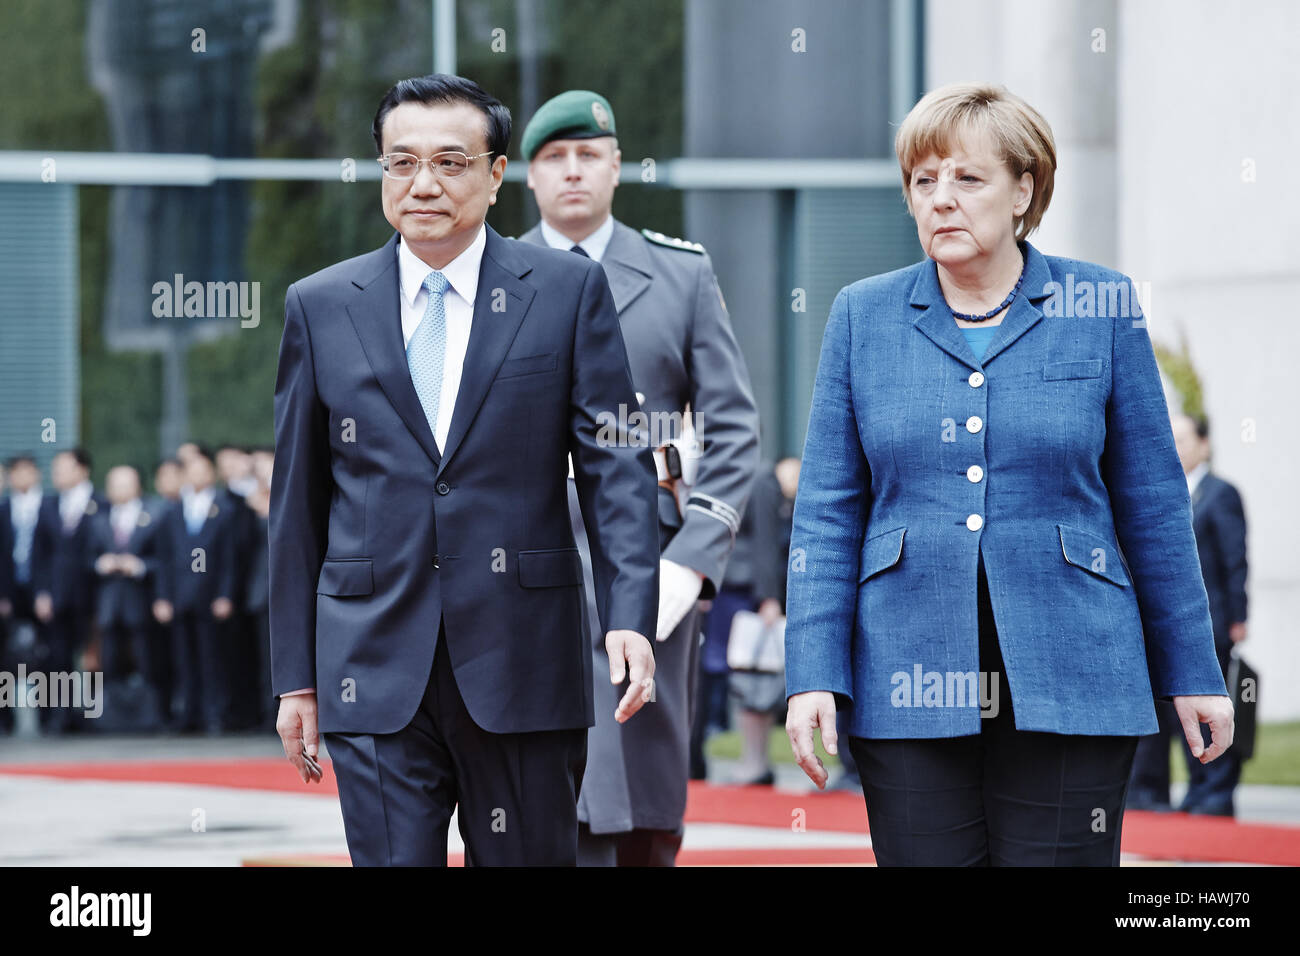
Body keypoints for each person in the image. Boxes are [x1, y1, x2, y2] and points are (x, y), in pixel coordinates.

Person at [783, 82, 1234, 866]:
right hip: (907, 668)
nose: (941, 200)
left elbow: (1155, 506)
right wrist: (811, 673)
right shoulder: (863, 315)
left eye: (967, 178)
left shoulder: (1101, 305)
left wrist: (1194, 670)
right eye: (924, 182)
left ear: (1024, 189)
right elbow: (826, 511)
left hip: (1075, 670)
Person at [270, 73, 660, 867]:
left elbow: (615, 464)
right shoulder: (320, 304)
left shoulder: (565, 291)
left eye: (450, 162)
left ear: (494, 175)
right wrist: (295, 678)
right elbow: (297, 505)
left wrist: (630, 610)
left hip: (523, 661)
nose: (423, 184)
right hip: (372, 668)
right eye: (401, 162)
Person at [517, 89, 760, 866]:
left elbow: (734, 427)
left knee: (646, 771)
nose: (573, 171)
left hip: (653, 554)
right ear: (528, 177)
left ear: (617, 166)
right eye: (554, 158)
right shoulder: (493, 275)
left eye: (589, 155)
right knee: (535, 773)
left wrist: (695, 554)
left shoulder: (679, 275)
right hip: (526, 554)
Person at [1130, 413, 1249, 815]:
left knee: (1205, 716)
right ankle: (1151, 799)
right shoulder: (1159, 491)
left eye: (1182, 440)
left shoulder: (1220, 494)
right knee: (1160, 721)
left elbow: (1235, 561)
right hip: (1161, 628)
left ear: (1204, 444)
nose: (1175, 448)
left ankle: (1210, 801)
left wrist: (1238, 618)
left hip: (1211, 623)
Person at [154, 445, 238, 733]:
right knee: (183, 658)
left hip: (209, 594)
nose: (197, 475)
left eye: (203, 469)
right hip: (179, 596)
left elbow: (229, 558)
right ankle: (188, 713)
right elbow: (163, 559)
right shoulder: (173, 511)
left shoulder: (223, 510)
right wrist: (162, 596)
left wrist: (225, 594)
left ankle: (215, 713)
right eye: (192, 470)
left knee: (212, 657)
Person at [30, 448, 104, 734]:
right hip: (57, 595)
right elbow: (40, 555)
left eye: (63, 468)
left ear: (82, 470)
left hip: (91, 594)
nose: (57, 474)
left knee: (93, 656)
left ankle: (93, 714)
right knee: (58, 656)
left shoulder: (101, 503)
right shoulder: (48, 506)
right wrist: (42, 592)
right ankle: (60, 715)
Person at [88, 465, 163, 729]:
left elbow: (165, 558)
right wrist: (101, 563)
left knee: (146, 659)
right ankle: (110, 720)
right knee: (109, 660)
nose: (119, 489)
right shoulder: (98, 518)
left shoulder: (154, 514)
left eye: (124, 483)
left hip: (140, 600)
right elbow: (84, 559)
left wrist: (140, 566)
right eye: (114, 483)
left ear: (137, 486)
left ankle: (150, 717)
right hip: (109, 603)